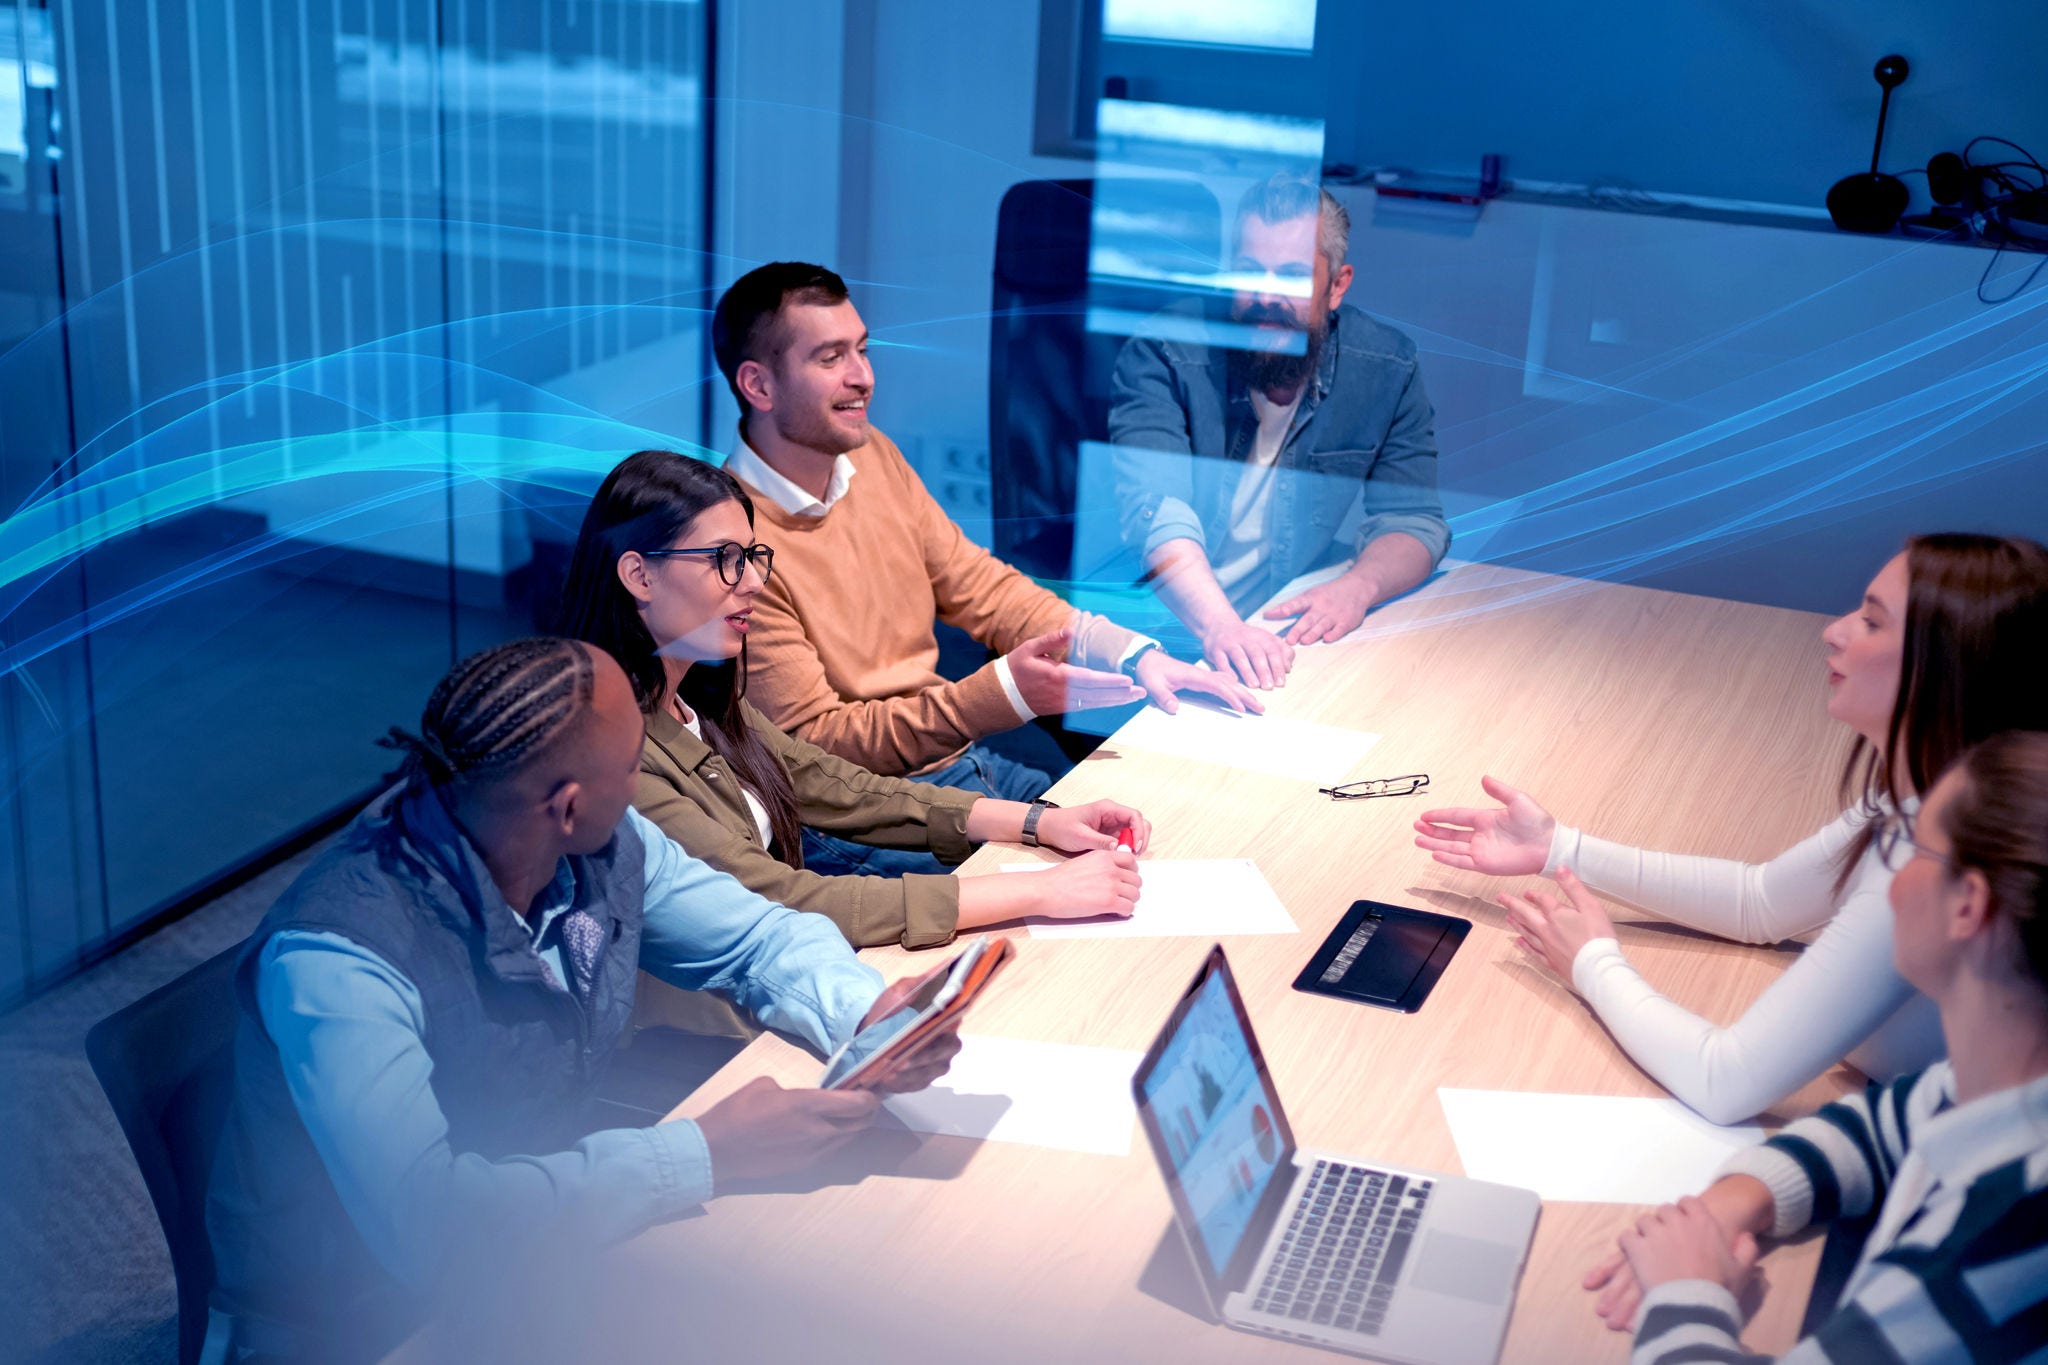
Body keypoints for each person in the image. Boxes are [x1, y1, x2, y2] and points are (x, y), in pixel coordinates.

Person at [203, 638, 962, 1363]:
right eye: (634, 765)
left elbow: (757, 938)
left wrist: (864, 1017)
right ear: (566, 807)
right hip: (364, 1322)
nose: (642, 788)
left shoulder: (599, 838)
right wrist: (708, 1151)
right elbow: (433, 1230)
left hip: (545, 1237)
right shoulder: (342, 959)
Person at [1414, 534, 2048, 1124]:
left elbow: (1727, 1082)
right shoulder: (1920, 800)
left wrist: (1593, 963)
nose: (1833, 631)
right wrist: (1559, 848)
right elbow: (1761, 901)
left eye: (1873, 622)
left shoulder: (1932, 862)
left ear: (1949, 668)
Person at [708, 261, 1258, 878]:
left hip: (959, 772)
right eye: (831, 358)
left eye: (862, 350)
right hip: (859, 816)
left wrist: (1132, 654)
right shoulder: (737, 549)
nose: (863, 377)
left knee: (1158, 841)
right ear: (759, 385)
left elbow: (984, 588)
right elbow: (821, 750)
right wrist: (1000, 696)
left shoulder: (872, 458)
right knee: (1087, 895)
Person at [558, 449, 1148, 963]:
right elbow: (780, 899)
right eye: (725, 559)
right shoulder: (613, 754)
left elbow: (844, 788)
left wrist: (1038, 821)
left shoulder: (701, 700)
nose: (754, 581)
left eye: (753, 556)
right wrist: (1043, 890)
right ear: (639, 575)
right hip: (725, 1037)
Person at [1585, 730, 2048, 1362]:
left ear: (1968, 907)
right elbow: (1883, 1127)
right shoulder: (2001, 1087)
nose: (1888, 883)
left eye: (1911, 849)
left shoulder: (1988, 1247)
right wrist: (1730, 1204)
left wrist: (1687, 1292)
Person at [1108, 172, 1451, 691]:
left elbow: (1414, 521)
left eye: (1291, 276)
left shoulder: (1387, 366)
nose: (1265, 296)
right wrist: (1222, 628)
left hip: (1279, 625)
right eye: (1249, 272)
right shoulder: (1164, 352)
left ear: (1337, 286)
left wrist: (1357, 588)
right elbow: (1157, 515)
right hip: (1162, 628)